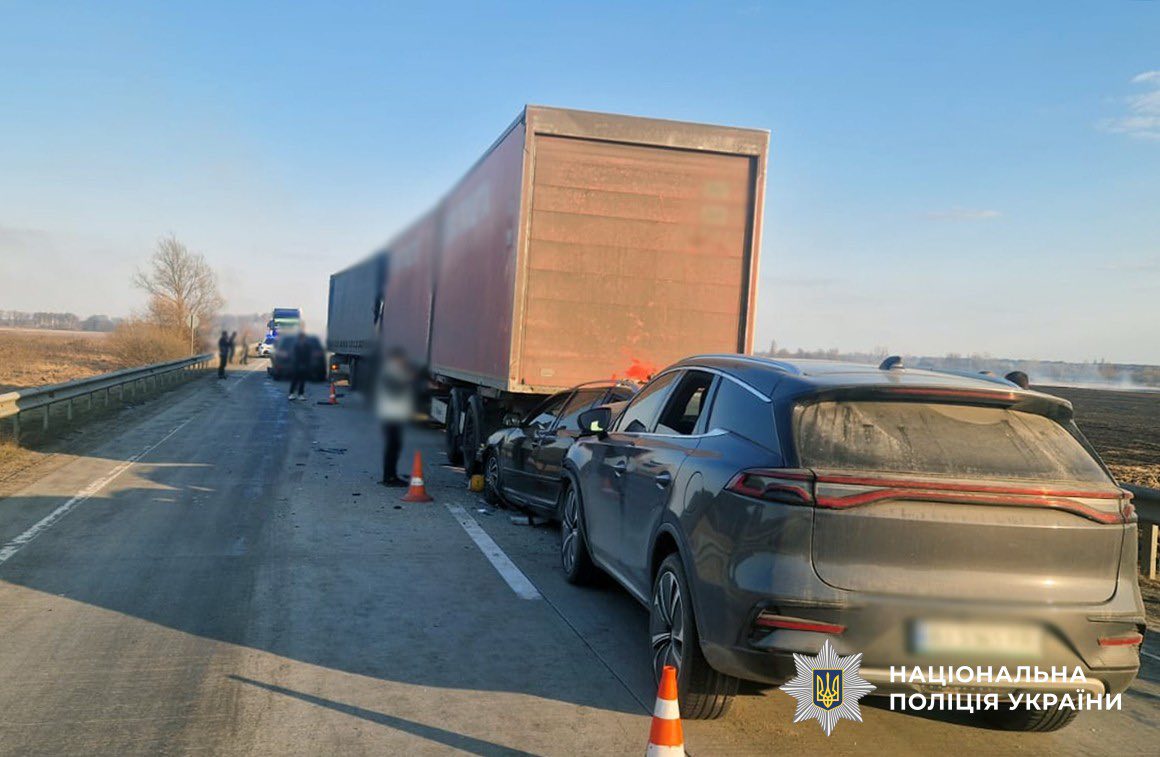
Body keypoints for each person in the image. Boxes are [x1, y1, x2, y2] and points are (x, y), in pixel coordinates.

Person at [376, 348, 415, 486]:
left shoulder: (394, 371)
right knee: (392, 446)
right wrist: (408, 380)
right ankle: (389, 477)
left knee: (395, 446)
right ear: (396, 359)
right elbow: (395, 390)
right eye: (402, 359)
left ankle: (391, 475)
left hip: (394, 414)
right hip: (391, 414)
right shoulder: (391, 372)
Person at [288, 336, 311, 401]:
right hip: (296, 366)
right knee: (295, 380)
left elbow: (308, 357)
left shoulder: (307, 347)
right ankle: (291, 394)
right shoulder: (296, 347)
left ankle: (300, 394)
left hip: (304, 366)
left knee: (302, 381)